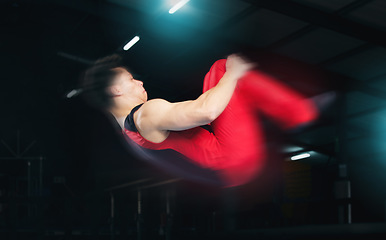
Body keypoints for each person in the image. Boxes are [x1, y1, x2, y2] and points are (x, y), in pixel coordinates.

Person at [82, 54, 318, 187]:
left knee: (215, 76)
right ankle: (302, 113)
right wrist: (234, 72)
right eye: (131, 80)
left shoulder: (127, 130)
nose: (140, 83)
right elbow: (206, 112)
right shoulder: (146, 114)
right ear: (115, 90)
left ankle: (288, 112)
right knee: (225, 68)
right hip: (232, 159)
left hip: (223, 172)